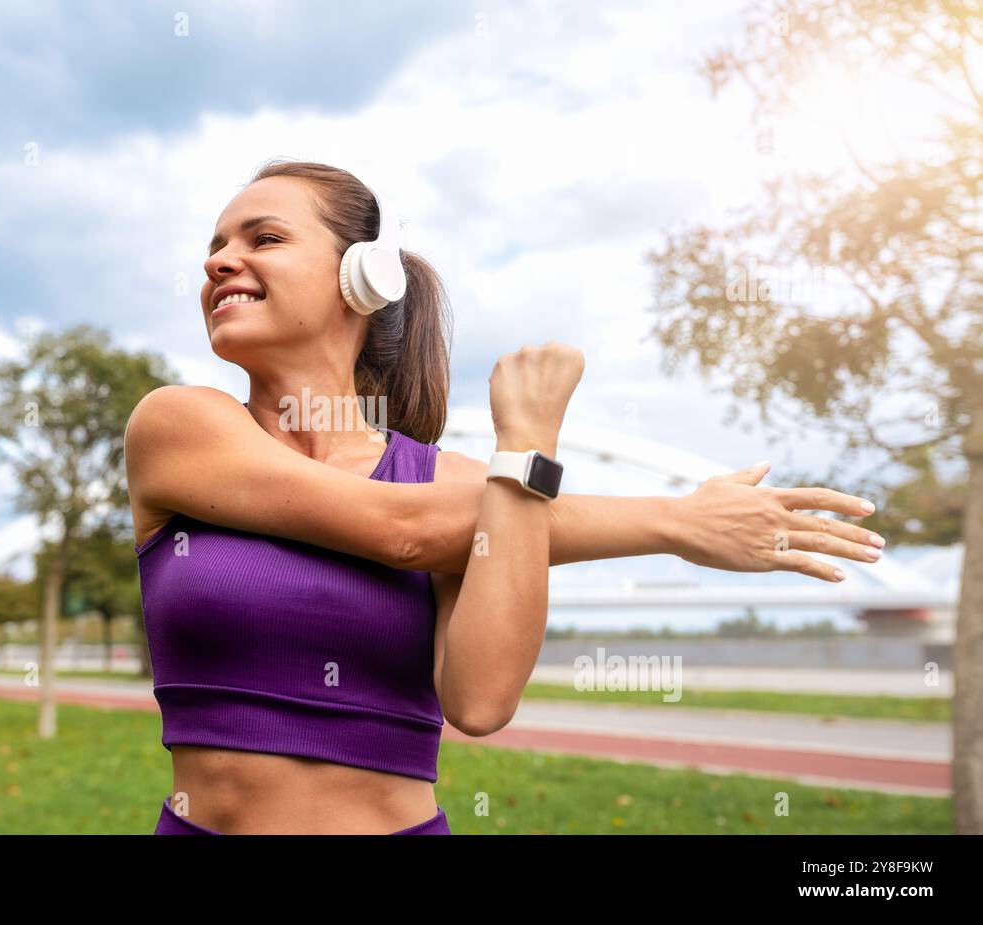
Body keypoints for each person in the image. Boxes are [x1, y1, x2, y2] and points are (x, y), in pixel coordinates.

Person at [123, 159, 882, 835]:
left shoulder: (466, 488)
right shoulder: (179, 427)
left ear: (365, 276)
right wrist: (676, 520)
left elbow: (481, 703)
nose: (222, 261)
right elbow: (404, 532)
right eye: (215, 248)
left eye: (263, 239)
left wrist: (525, 449)